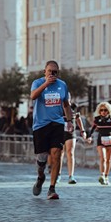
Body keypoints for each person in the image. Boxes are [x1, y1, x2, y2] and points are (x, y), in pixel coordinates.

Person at [30, 60, 74, 200]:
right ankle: (40, 176)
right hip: (41, 125)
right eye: (50, 71)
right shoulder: (37, 83)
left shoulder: (62, 85)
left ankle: (52, 188)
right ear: (45, 72)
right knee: (42, 157)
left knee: (56, 154)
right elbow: (33, 96)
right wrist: (46, 84)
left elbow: (66, 105)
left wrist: (69, 121)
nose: (52, 74)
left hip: (57, 123)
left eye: (55, 72)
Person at [90, 101, 111, 185]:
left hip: (110, 139)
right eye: (101, 110)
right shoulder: (97, 119)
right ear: (99, 111)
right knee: (102, 158)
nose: (103, 112)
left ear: (108, 111)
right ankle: (102, 175)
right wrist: (89, 136)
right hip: (101, 140)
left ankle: (107, 176)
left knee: (108, 159)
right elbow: (92, 129)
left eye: (105, 110)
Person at [59, 102, 88, 185]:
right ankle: (58, 174)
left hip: (71, 134)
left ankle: (71, 176)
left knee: (70, 153)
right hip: (59, 133)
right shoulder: (57, 106)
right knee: (60, 154)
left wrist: (83, 131)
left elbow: (78, 118)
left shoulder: (74, 107)